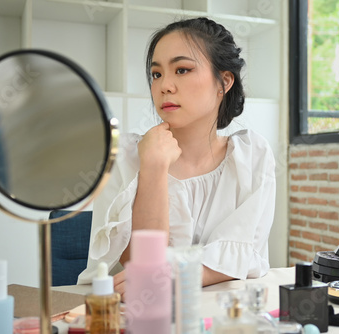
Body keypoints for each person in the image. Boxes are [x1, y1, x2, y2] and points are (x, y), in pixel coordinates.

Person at [77, 17, 276, 299]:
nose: (164, 86)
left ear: (225, 81)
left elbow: (241, 255)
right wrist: (154, 168)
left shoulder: (252, 156)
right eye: (156, 74)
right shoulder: (122, 158)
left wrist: (176, 274)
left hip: (218, 315)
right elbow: (143, 267)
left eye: (182, 70)